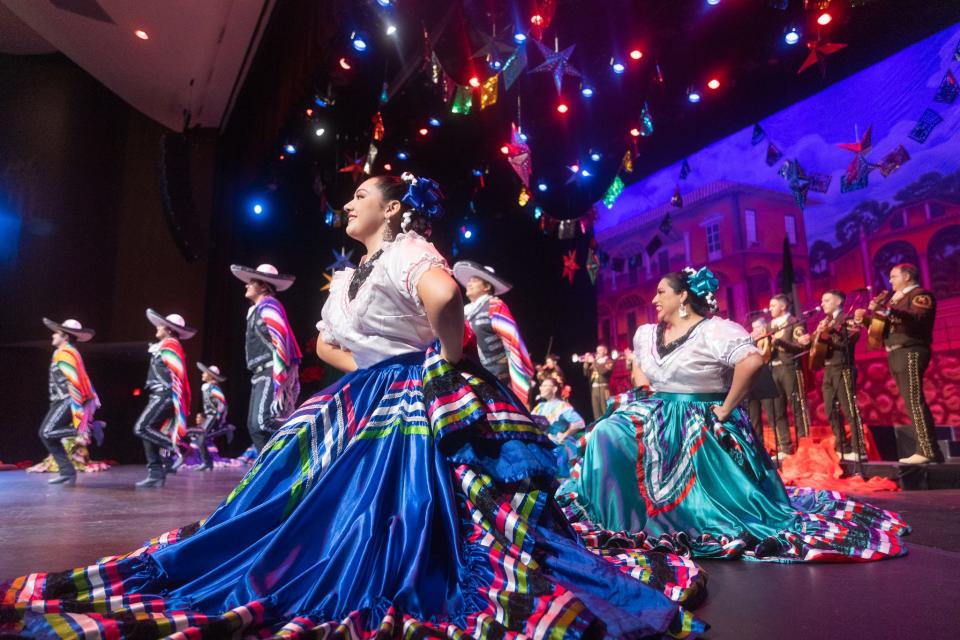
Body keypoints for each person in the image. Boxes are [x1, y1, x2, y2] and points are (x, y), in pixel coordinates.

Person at [1, 173, 707, 639]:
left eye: (360, 196)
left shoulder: (406, 251)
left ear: (391, 209)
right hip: (377, 388)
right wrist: (387, 363)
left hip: (409, 389)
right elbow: (328, 345)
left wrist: (443, 361)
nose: (348, 205)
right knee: (323, 500)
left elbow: (445, 299)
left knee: (402, 501)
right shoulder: (348, 277)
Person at [559, 267, 908, 562]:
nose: (654, 300)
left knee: (708, 478)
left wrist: (725, 408)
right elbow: (642, 373)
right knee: (605, 432)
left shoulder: (716, 330)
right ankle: (617, 518)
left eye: (661, 292)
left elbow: (752, 361)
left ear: (683, 297)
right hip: (658, 412)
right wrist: (642, 403)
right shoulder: (647, 334)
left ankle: (681, 517)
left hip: (701, 415)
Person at [855, 263, 941, 464]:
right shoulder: (897, 300)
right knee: (910, 401)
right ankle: (929, 449)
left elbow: (917, 317)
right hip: (895, 352)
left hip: (911, 349)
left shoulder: (919, 295)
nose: (890, 281)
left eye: (894, 276)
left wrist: (887, 308)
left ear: (907, 277)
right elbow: (884, 328)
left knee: (914, 400)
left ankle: (927, 450)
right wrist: (866, 321)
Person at [230, 263, 302, 452]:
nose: (246, 285)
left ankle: (299, 437)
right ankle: (269, 473)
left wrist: (280, 374)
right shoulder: (257, 310)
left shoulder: (269, 304)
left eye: (251, 282)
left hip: (272, 369)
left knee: (262, 423)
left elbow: (280, 338)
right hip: (260, 372)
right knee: (255, 426)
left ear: (262, 286)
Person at [454, 260, 535, 405]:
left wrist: (518, 380)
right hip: (471, 378)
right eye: (469, 281)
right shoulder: (464, 312)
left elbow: (512, 341)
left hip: (497, 381)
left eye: (475, 281)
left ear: (486, 286)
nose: (469, 284)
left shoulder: (495, 305)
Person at [132, 309, 195, 488]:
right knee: (148, 432)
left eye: (160, 326)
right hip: (159, 394)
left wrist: (173, 394)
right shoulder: (166, 345)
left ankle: (180, 447)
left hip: (165, 394)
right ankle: (156, 474)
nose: (157, 328)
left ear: (168, 329)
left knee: (142, 428)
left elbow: (178, 373)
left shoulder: (171, 345)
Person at [36, 318, 101, 486]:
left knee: (47, 433)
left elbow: (75, 381)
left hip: (67, 399)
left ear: (64, 336)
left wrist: (79, 410)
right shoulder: (65, 351)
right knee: (47, 435)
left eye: (56, 333)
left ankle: (86, 430)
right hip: (59, 400)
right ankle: (67, 471)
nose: (53, 335)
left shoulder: (66, 353)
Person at [814, 290, 865, 461]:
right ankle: (842, 447)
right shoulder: (825, 322)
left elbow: (847, 341)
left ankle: (860, 449)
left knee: (850, 408)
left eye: (826, 300)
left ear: (838, 302)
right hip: (828, 369)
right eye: (822, 300)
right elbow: (818, 348)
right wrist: (815, 336)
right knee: (830, 409)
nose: (822, 304)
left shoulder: (847, 319)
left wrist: (829, 331)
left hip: (843, 367)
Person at [767, 294, 811, 455]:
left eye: (773, 305)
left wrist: (779, 342)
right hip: (773, 370)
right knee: (777, 410)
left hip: (790, 368)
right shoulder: (769, 326)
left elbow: (800, 347)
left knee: (797, 407)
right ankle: (785, 447)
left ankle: (804, 448)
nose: (770, 309)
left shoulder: (795, 323)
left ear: (783, 306)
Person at [531, 375, 585, 478]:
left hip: (557, 444)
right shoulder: (539, 407)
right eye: (541, 385)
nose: (540, 388)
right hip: (541, 443)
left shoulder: (562, 406)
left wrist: (565, 434)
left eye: (545, 385)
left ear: (554, 389)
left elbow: (579, 422)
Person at [190, 362, 233, 470]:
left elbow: (223, 404)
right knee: (201, 438)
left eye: (204, 373)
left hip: (212, 416)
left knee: (201, 438)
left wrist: (219, 416)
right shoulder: (207, 387)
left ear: (210, 375)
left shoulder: (213, 388)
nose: (202, 374)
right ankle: (208, 463)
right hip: (209, 416)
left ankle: (207, 462)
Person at [747, 316, 779, 456]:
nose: (755, 331)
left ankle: (781, 447)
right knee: (754, 418)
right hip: (753, 382)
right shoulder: (750, 342)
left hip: (767, 379)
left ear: (765, 327)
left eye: (758, 327)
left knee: (772, 414)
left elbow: (766, 356)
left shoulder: (768, 339)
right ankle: (758, 447)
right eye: (753, 328)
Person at [581, 345, 615, 421]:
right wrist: (586, 362)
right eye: (597, 350)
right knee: (596, 410)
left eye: (600, 350)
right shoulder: (596, 362)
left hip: (604, 388)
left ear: (605, 351)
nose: (598, 352)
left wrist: (593, 361)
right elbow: (586, 373)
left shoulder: (609, 361)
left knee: (605, 409)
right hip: (594, 388)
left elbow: (603, 372)